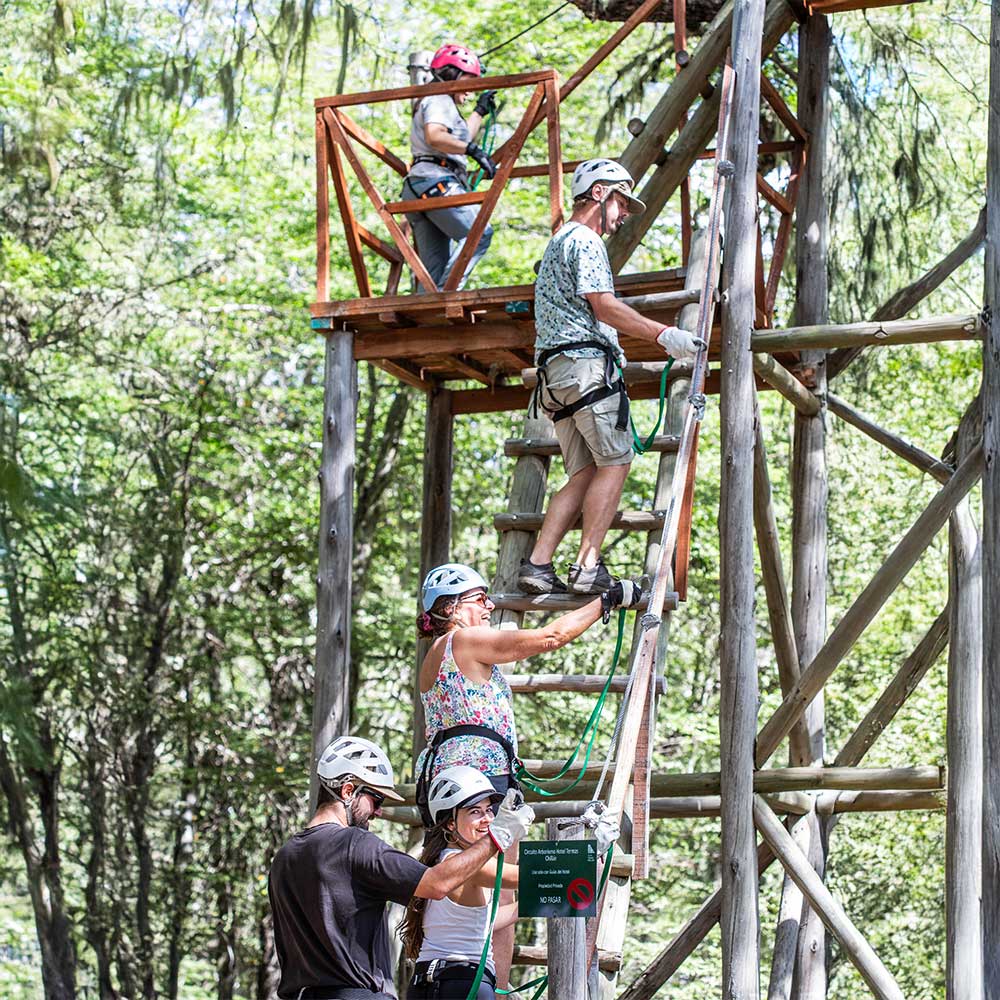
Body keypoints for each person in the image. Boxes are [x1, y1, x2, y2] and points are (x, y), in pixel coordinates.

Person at [414, 561, 642, 989]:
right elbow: (547, 637)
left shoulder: (433, 657)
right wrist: (606, 601)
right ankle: (493, 988)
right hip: (481, 784)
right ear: (452, 608)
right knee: (501, 888)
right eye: (479, 599)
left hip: (451, 785)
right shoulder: (463, 639)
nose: (489, 605)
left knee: (481, 891)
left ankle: (488, 983)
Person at [518, 158, 707, 597]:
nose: (623, 215)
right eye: (621, 201)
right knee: (618, 461)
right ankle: (587, 566)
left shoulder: (556, 243)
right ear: (599, 193)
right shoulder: (585, 241)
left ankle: (538, 564)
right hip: (585, 371)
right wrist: (665, 334)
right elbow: (603, 305)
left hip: (556, 378)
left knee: (584, 473)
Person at [268, 735, 533, 1000]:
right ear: (348, 791)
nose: (378, 812)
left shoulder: (284, 858)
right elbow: (436, 883)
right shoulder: (356, 844)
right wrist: (499, 837)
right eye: (376, 800)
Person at [401, 766, 521, 998]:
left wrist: (535, 901)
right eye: (475, 811)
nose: (487, 819)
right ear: (450, 824)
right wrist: (588, 853)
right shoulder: (464, 865)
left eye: (489, 810)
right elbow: (529, 877)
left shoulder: (442, 862)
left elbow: (480, 922)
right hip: (462, 981)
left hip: (429, 983)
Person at [402, 43, 498, 292]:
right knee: (479, 234)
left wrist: (478, 111)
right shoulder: (439, 97)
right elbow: (436, 136)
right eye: (469, 80)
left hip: (420, 186)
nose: (470, 90)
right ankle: (448, 295)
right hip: (436, 181)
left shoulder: (437, 101)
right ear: (452, 76)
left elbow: (459, 137)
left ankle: (430, 313)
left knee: (431, 275)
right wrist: (473, 152)